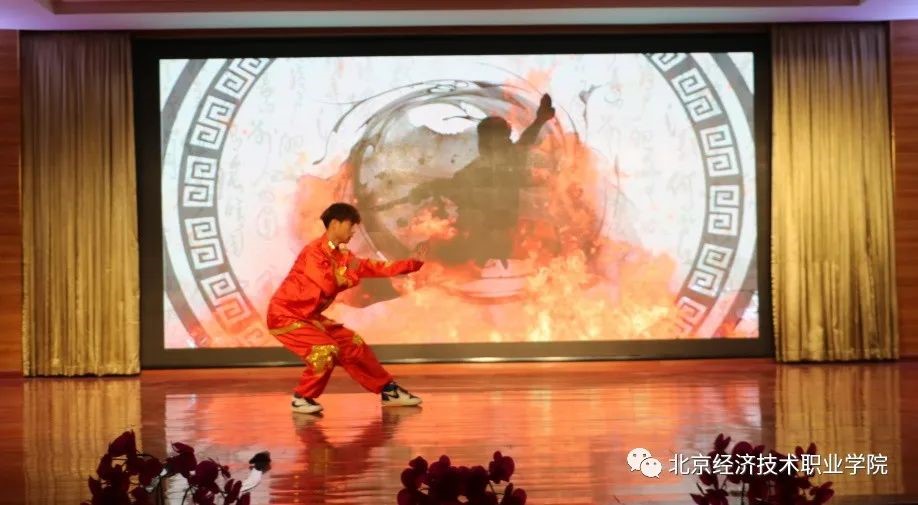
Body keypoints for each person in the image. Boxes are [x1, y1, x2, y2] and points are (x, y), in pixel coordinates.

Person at [267, 202, 425, 414]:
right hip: (285, 315)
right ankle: (302, 397)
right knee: (325, 350)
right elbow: (328, 283)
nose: (353, 232)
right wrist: (352, 277)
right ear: (335, 224)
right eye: (351, 226)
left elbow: (372, 267)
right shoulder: (314, 252)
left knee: (353, 344)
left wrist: (412, 264)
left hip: (310, 317)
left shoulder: (343, 256)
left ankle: (388, 390)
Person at [407, 94, 556, 267]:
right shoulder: (498, 161)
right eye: (483, 139)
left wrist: (425, 189)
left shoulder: (500, 162)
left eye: (486, 139)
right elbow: (525, 141)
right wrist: (540, 120)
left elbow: (454, 184)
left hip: (494, 234)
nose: (483, 143)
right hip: (493, 234)